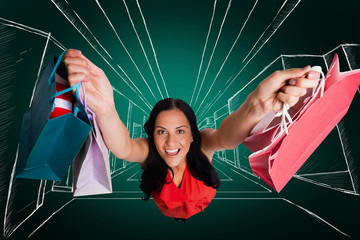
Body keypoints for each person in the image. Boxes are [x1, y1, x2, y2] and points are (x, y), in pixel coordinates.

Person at [63, 49, 320, 221]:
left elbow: (226, 137)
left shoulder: (203, 144)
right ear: (152, 134)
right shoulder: (149, 152)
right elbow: (123, 148)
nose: (171, 142)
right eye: (161, 132)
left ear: (192, 136)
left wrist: (258, 105)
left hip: (202, 202)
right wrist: (106, 109)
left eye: (180, 132)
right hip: (165, 210)